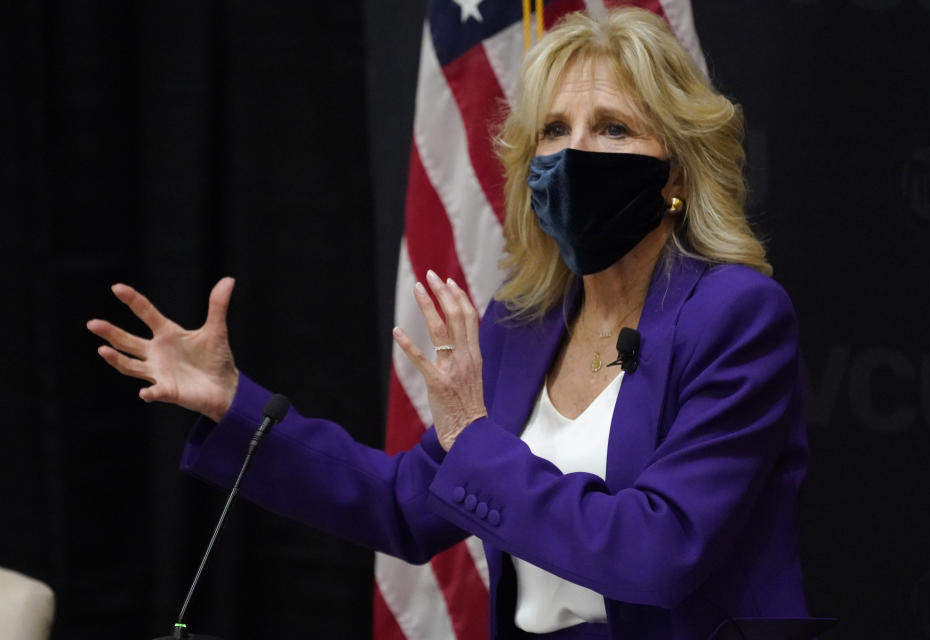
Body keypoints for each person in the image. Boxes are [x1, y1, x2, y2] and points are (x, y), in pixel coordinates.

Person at [88, 8, 821, 640]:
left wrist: (474, 439)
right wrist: (232, 402)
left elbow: (659, 550)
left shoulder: (735, 316)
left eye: (614, 128)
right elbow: (403, 506)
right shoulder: (522, 325)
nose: (574, 155)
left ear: (677, 174)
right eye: (554, 130)